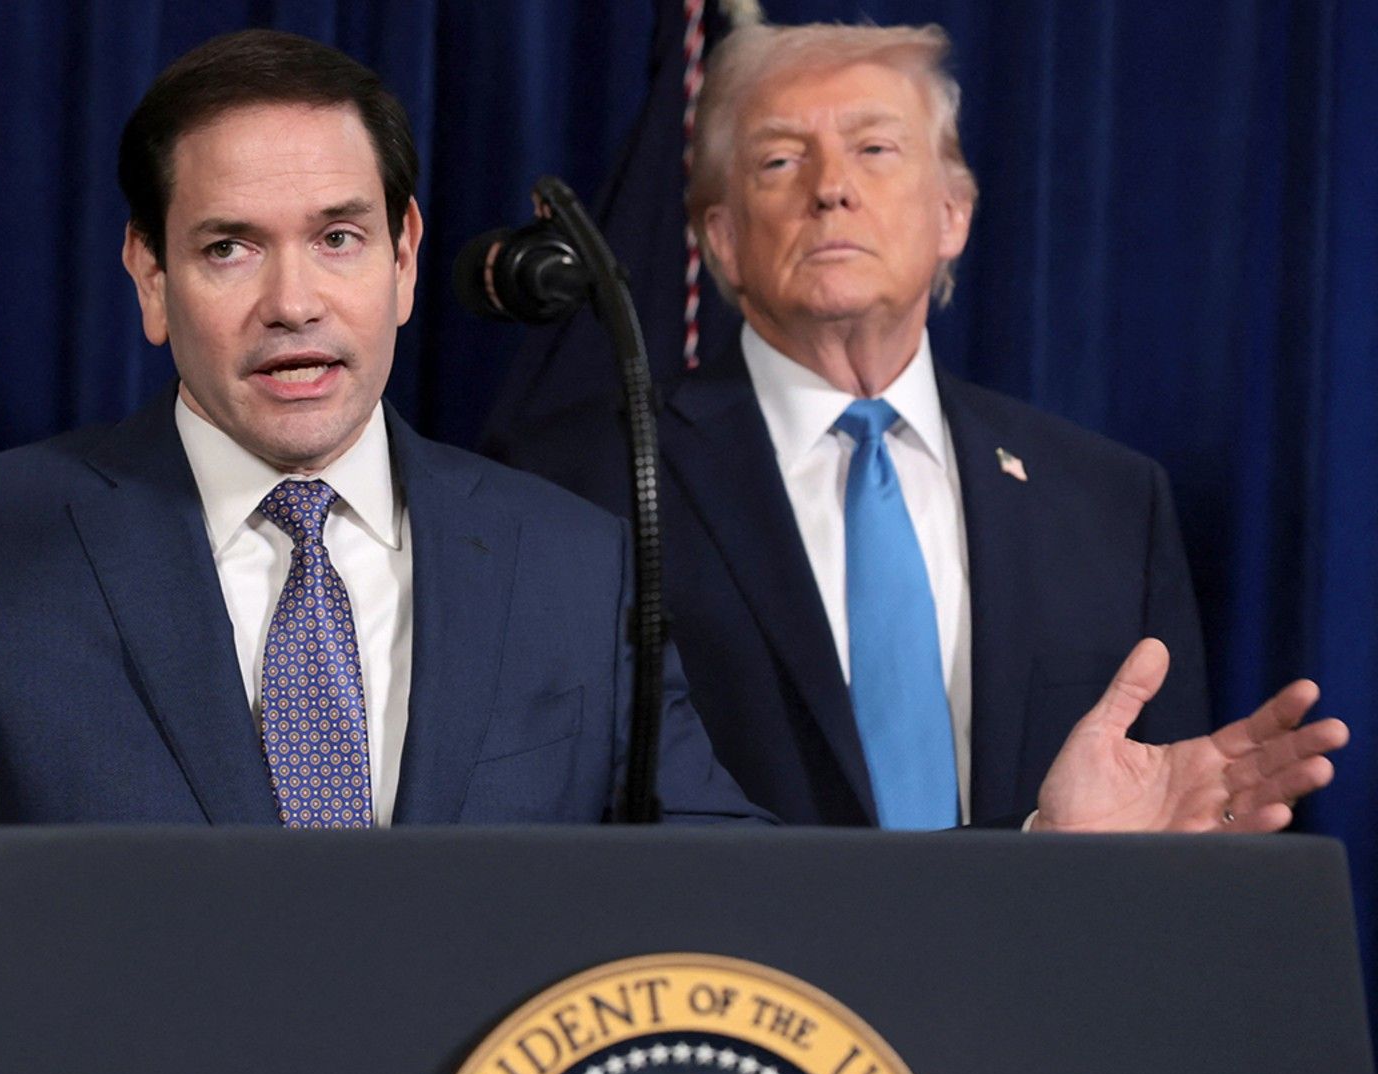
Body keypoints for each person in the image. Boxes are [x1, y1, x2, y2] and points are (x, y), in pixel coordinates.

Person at [0, 29, 1344, 1044]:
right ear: (149, 279)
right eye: (230, 247)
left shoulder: (565, 558)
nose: (294, 300)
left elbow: (751, 906)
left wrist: (1040, 857)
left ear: (410, 261)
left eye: (340, 236)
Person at [495, 22, 1215, 828]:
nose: (831, 188)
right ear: (723, 239)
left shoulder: (1110, 504)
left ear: (952, 214)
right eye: (780, 160)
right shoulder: (579, 481)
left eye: (875, 149)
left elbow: (1163, 827)